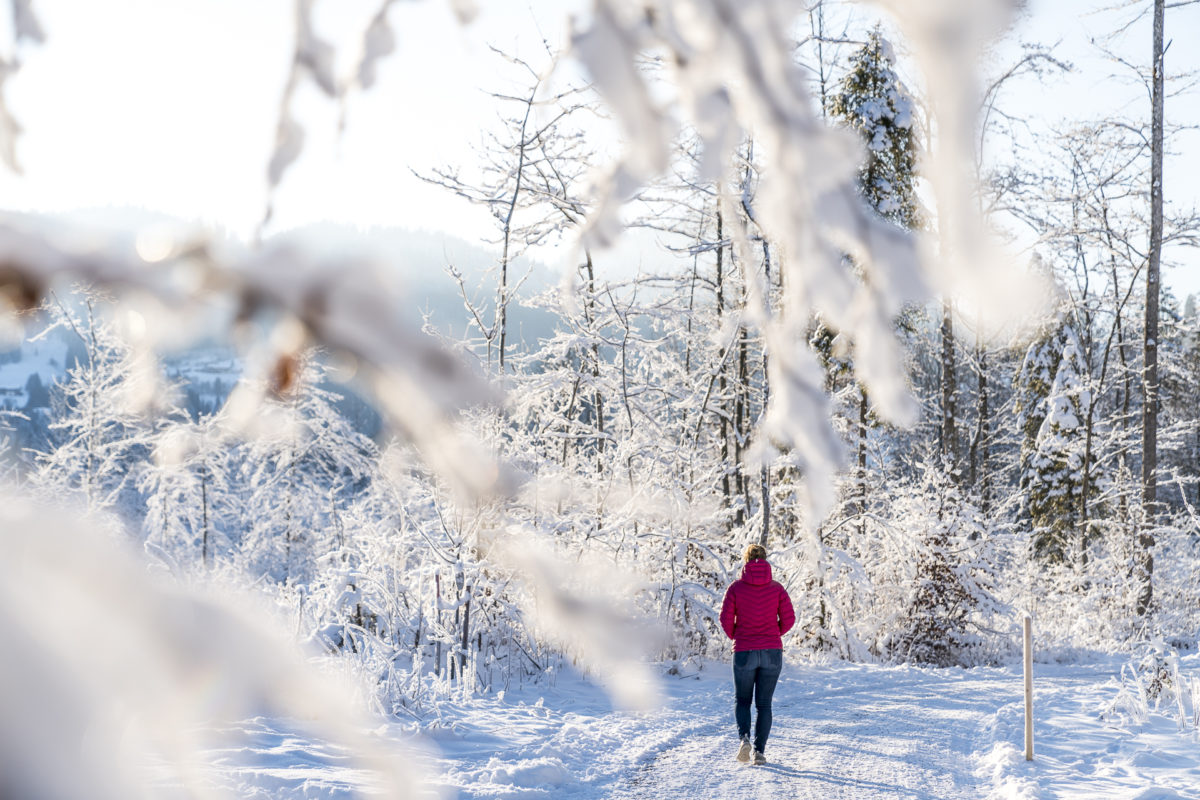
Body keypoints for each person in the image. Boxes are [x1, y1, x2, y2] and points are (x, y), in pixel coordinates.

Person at [719, 543, 795, 766]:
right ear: (765, 560)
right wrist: (773, 634)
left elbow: (724, 619)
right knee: (764, 704)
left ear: (745, 561)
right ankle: (759, 752)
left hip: (744, 651)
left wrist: (738, 636)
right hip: (772, 651)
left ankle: (744, 739)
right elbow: (789, 619)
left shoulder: (735, 588)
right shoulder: (777, 588)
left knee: (743, 700)